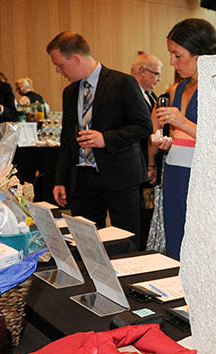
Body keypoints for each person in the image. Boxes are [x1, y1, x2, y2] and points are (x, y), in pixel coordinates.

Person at [47, 31, 151, 245]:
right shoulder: (69, 92)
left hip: (120, 175)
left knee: (126, 239)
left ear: (75, 59)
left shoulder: (123, 83)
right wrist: (60, 180)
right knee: (85, 241)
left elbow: (143, 126)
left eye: (60, 65)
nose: (58, 71)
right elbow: (66, 139)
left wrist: (106, 138)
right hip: (83, 178)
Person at [148, 18, 216, 260]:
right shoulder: (179, 88)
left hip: (201, 178)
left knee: (199, 247)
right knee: (175, 240)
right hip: (174, 174)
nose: (172, 62)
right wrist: (166, 143)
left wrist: (182, 122)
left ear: (199, 54)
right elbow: (182, 137)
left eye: (178, 55)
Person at [131, 53, 163, 251]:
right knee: (139, 214)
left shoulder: (151, 96)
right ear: (142, 71)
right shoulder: (129, 94)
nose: (158, 80)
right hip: (138, 161)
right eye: (156, 74)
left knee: (149, 212)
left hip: (151, 161)